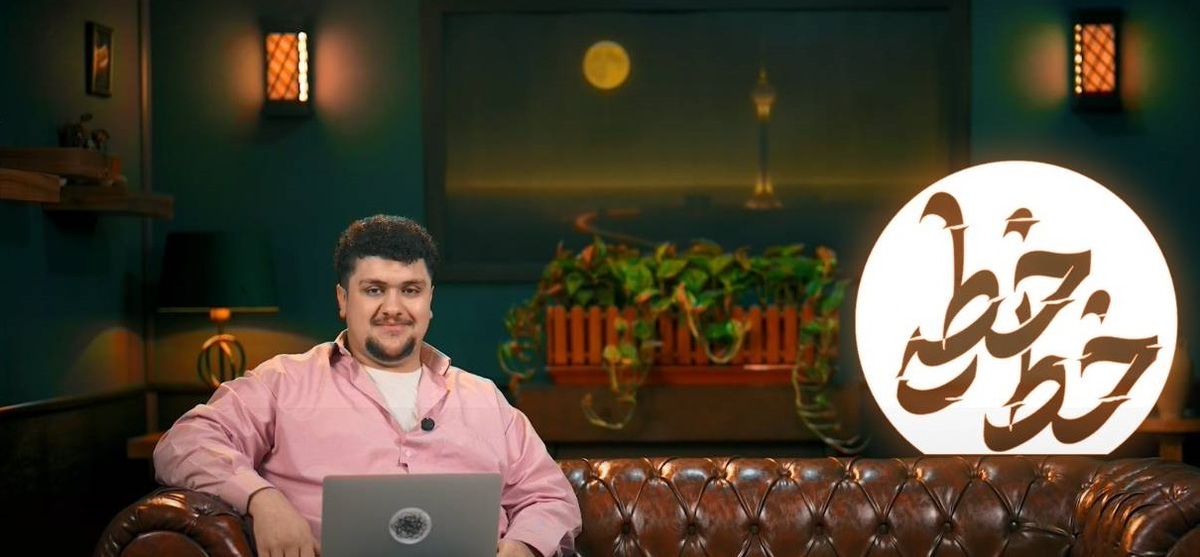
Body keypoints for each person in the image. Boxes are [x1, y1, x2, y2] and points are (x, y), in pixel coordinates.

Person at [153, 215, 582, 557]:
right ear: (343, 299)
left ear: (430, 301)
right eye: (374, 290)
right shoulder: (282, 383)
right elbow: (184, 443)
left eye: (410, 290)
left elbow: (550, 496)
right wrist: (262, 498)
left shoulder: (484, 398)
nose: (393, 308)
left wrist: (523, 546)